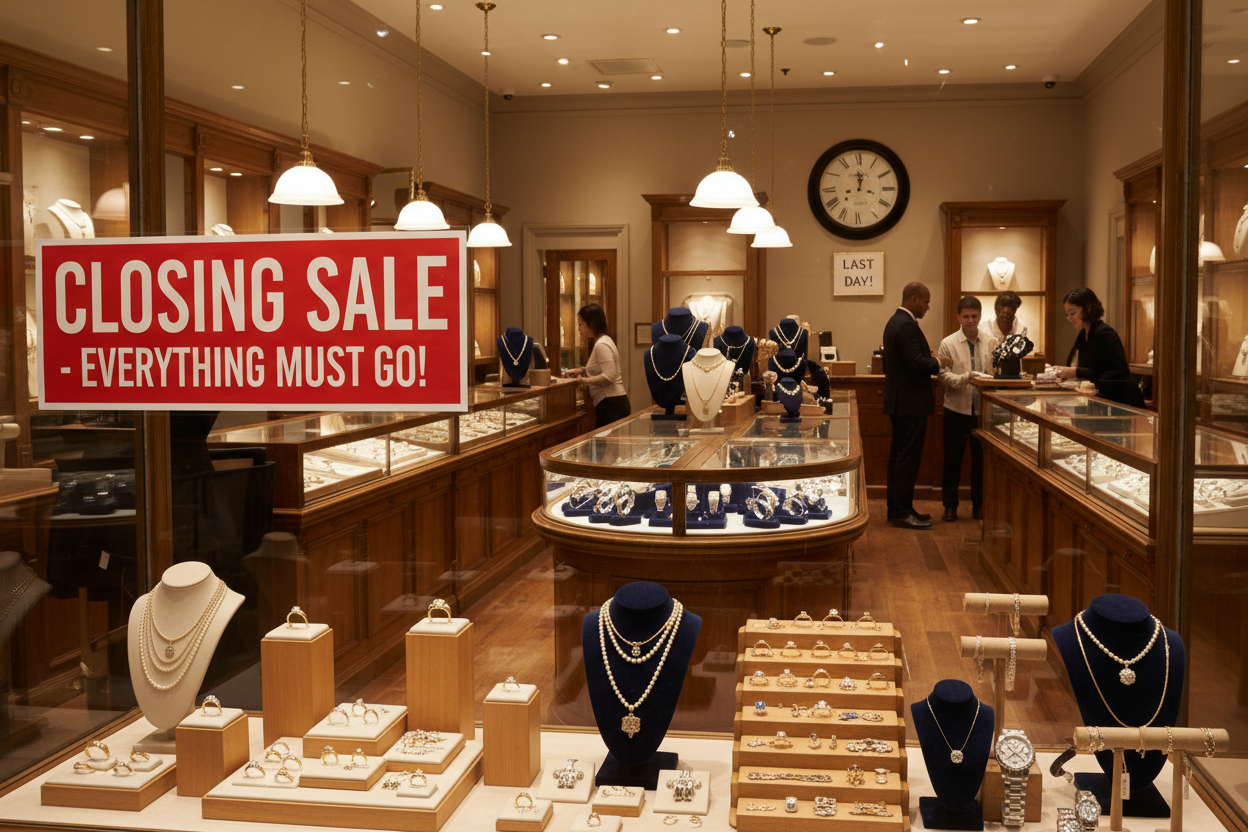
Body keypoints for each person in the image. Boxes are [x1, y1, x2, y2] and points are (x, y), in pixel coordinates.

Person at [883, 282, 940, 530]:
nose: (927, 307)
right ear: (914, 299)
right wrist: (938, 362)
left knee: (899, 457)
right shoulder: (905, 325)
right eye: (926, 302)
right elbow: (916, 363)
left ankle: (900, 508)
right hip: (910, 403)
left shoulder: (896, 322)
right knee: (907, 458)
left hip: (902, 401)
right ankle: (901, 511)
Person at [937, 297, 998, 522]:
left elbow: (997, 374)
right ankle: (950, 506)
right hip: (956, 409)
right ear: (958, 317)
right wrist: (966, 378)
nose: (970, 321)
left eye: (974, 316)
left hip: (983, 411)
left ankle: (979, 506)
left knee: (981, 462)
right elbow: (943, 375)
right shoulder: (948, 343)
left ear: (980, 316)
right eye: (966, 316)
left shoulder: (992, 342)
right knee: (952, 460)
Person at [1051, 287, 1145, 407]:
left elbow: (1118, 374)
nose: (1069, 318)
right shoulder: (1083, 334)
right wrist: (1059, 371)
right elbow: (1080, 367)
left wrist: (1075, 372)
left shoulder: (1105, 334)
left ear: (1087, 310)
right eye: (1067, 314)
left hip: (1122, 404)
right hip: (1100, 402)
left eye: (1072, 313)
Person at [562, 303, 631, 427]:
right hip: (611, 403)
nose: (579, 329)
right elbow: (600, 367)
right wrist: (581, 370)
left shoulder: (602, 344)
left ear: (591, 323)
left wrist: (583, 381)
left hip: (611, 404)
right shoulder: (604, 341)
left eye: (580, 324)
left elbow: (609, 376)